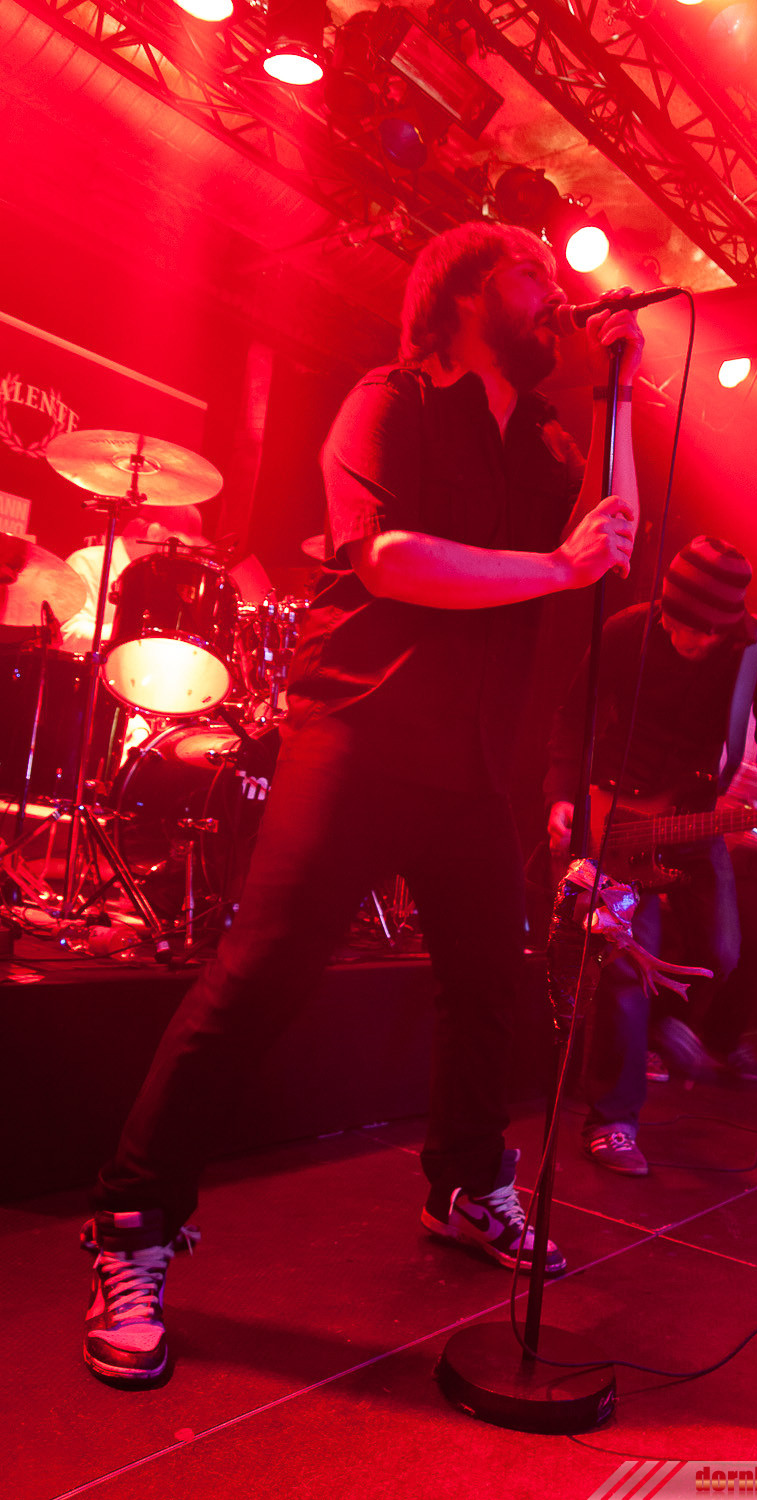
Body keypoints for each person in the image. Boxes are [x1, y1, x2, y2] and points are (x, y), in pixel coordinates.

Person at [82, 221, 644, 1384]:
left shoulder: (544, 438)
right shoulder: (387, 399)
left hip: (474, 756)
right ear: (463, 291)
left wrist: (621, 397)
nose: (554, 291)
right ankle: (133, 1230)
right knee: (260, 976)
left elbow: (614, 539)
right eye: (532, 272)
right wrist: (557, 568)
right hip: (363, 728)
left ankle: (465, 1187)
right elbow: (387, 558)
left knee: (488, 983)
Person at [545, 536, 757, 1177]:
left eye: (708, 632)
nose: (692, 640)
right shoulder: (626, 631)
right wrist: (562, 796)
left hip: (693, 819)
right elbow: (574, 717)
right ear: (664, 607)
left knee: (721, 954)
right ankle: (613, 1122)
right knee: (625, 968)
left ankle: (660, 1028)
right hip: (616, 816)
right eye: (680, 625)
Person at [60, 504, 211, 655]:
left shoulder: (160, 579)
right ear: (154, 534)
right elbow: (68, 634)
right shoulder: (88, 562)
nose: (183, 555)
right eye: (180, 546)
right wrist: (130, 631)